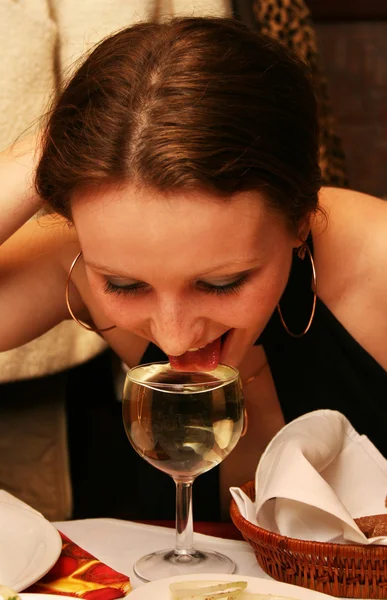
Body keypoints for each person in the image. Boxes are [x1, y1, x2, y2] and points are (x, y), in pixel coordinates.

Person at [1, 17, 386, 521]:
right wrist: (59, 145)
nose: (175, 337)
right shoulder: (75, 257)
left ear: (299, 219)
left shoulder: (378, 260)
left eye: (221, 283)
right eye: (124, 284)